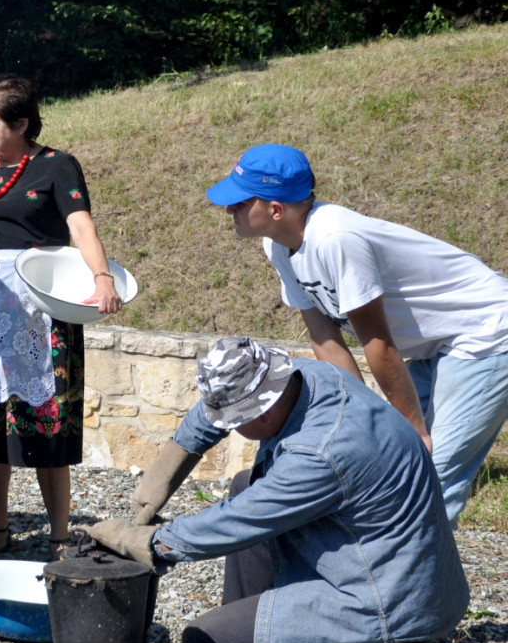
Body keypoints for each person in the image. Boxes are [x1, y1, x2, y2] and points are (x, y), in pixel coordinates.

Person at [85, 336, 469, 643]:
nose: (227, 429)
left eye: (234, 423)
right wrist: (148, 497)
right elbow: (208, 418)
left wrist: (145, 541)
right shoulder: (309, 376)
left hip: (386, 594)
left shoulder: (321, 452)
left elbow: (235, 522)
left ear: (263, 413)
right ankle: (258, 634)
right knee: (243, 484)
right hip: (395, 561)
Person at [205, 143, 508, 525]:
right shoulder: (279, 246)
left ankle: (418, 579)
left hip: (484, 331)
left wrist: (415, 431)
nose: (228, 210)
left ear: (275, 209)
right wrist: (358, 419)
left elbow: (377, 343)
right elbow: (325, 339)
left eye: (239, 202)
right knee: (394, 454)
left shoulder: (335, 239)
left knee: (433, 472)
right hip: (434, 343)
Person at [0, 74, 121, 561]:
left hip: (41, 310)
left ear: (21, 123)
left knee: (45, 420)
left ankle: (58, 535)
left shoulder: (56, 166)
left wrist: (102, 277)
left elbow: (80, 225)